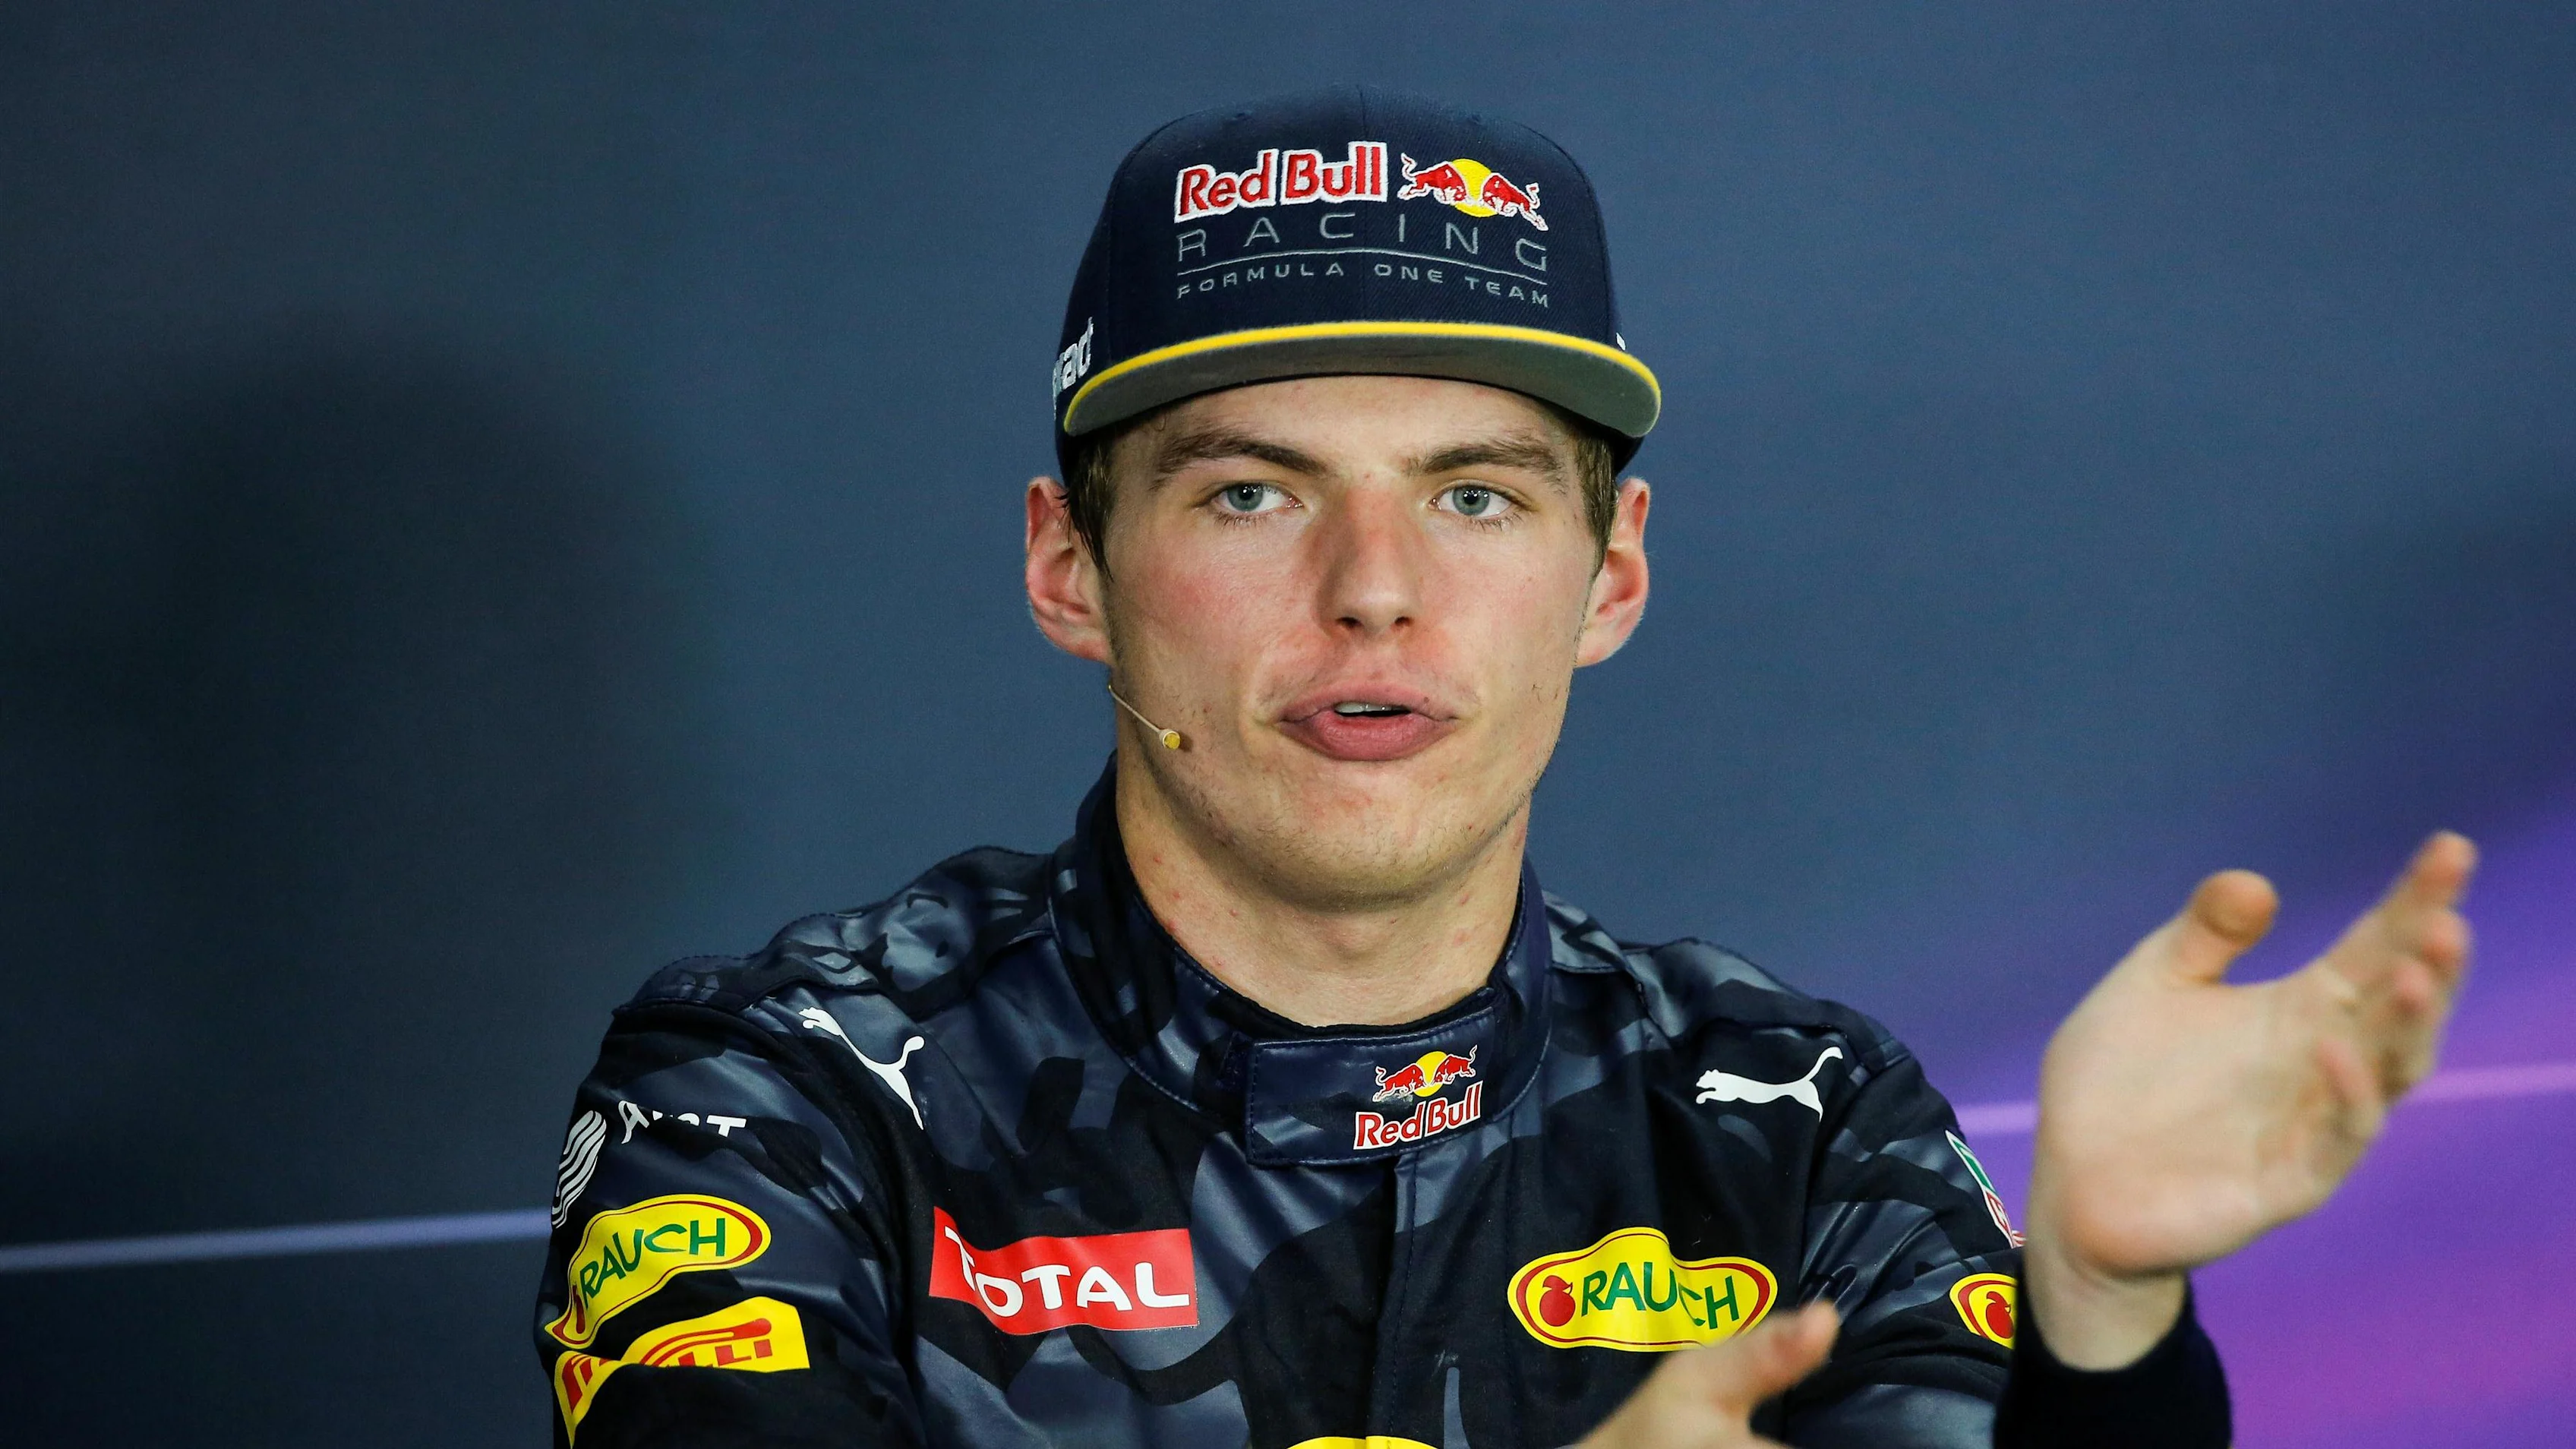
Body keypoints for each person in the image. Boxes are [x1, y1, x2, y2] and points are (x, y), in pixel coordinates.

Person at [532, 87, 2476, 1449]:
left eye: (1475, 495)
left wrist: (2106, 1329)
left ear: (1608, 577)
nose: (1373, 588)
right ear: (1073, 571)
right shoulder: (782, 1098)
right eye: (1248, 491)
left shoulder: (1797, 1122)